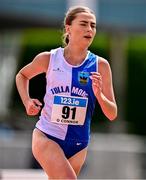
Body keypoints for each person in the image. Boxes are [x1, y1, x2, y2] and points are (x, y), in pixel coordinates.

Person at [16, 5, 117, 179]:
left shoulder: (100, 66)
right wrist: (27, 101)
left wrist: (99, 95)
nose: (89, 29)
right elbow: (22, 75)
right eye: (84, 24)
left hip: (79, 143)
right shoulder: (49, 58)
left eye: (93, 26)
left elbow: (112, 114)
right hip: (47, 136)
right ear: (68, 28)